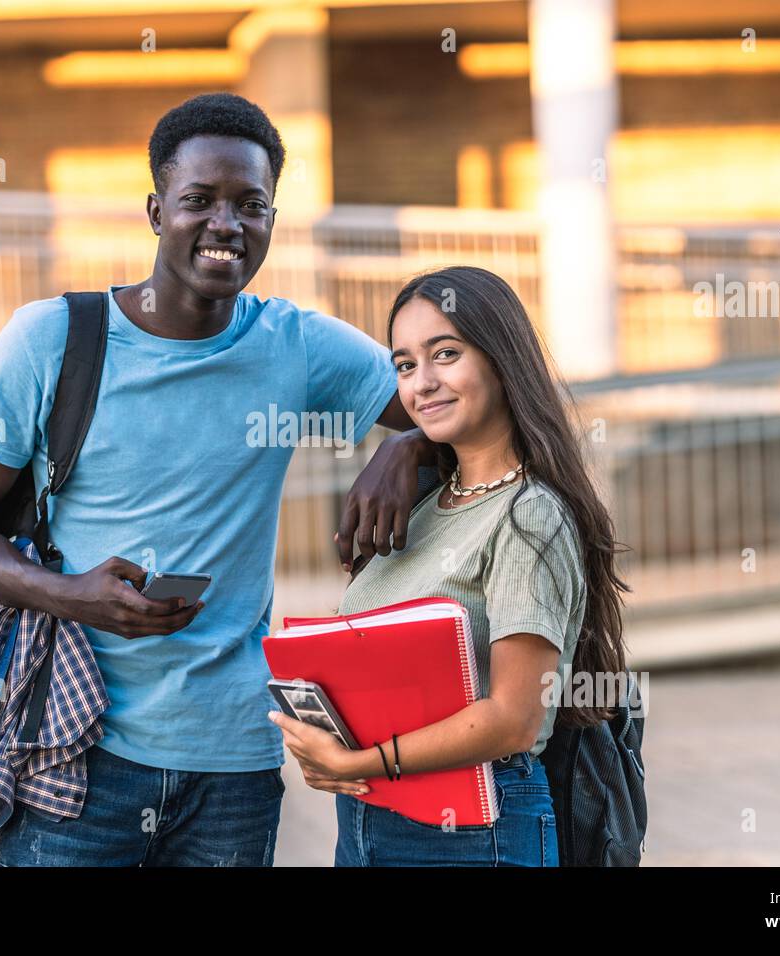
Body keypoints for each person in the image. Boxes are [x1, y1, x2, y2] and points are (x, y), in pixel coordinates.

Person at [0, 92, 433, 866]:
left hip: (232, 766)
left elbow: (471, 409)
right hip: (74, 749)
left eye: (250, 205)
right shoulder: (52, 339)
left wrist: (408, 448)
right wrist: (73, 596)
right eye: (199, 201)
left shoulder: (295, 344)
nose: (225, 224)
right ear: (157, 210)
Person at [270, 265, 630, 867]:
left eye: (445, 354)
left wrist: (362, 762)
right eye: (406, 365)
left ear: (501, 359)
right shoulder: (421, 506)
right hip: (367, 822)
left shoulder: (528, 514)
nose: (423, 384)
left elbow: (514, 718)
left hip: (474, 830)